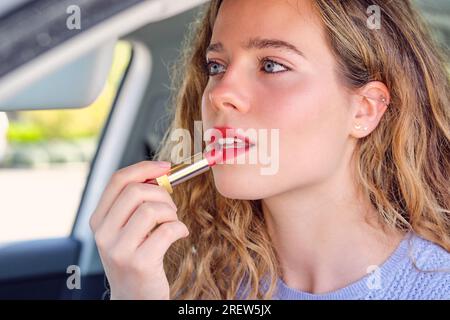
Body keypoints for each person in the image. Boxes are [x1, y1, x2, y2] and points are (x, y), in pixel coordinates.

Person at [90, 0, 450, 299]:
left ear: (365, 109)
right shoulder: (189, 279)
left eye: (272, 65)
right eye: (216, 66)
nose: (219, 93)